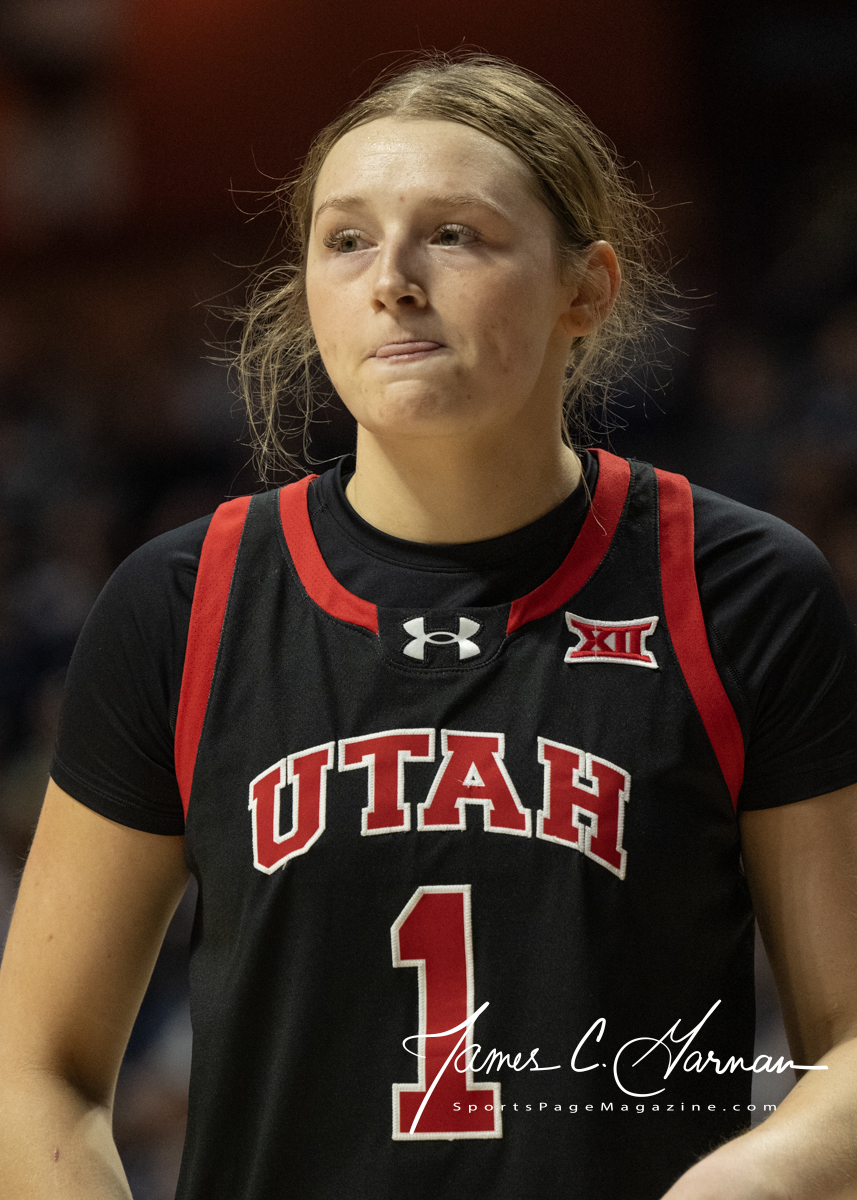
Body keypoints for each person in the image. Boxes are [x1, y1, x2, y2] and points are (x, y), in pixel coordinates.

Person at [1, 50, 857, 1200]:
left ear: (586, 289)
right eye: (346, 239)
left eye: (453, 234)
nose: (392, 280)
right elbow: (34, 1070)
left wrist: (736, 1186)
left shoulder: (738, 590)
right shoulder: (180, 603)